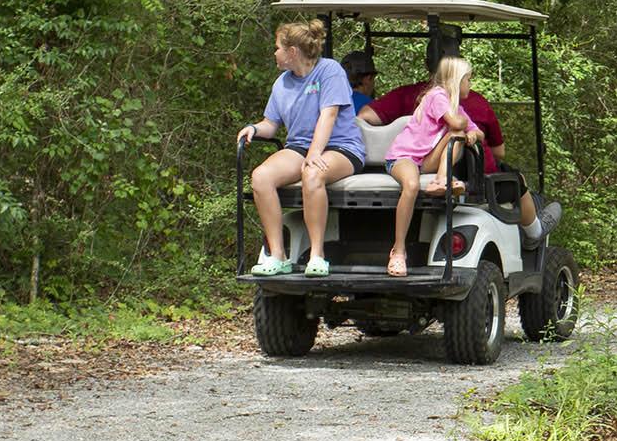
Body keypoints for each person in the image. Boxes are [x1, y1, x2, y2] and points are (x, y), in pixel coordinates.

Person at [362, 32, 564, 245]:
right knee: (517, 180)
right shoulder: (466, 100)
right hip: (476, 181)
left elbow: (365, 116)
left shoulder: (407, 95)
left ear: (426, 64)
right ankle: (534, 232)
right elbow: (499, 151)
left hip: (425, 163)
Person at [235, 18, 367, 276]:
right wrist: (253, 128)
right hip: (300, 148)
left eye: (277, 48)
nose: (274, 53)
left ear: (292, 52)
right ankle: (278, 256)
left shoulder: (329, 70)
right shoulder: (281, 83)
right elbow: (270, 124)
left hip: (341, 147)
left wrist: (315, 153)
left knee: (312, 172)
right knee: (261, 177)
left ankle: (317, 256)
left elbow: (329, 114)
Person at [383, 55, 476, 277]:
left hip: (425, 160)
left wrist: (473, 133)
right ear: (457, 80)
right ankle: (398, 251)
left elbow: (475, 130)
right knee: (412, 185)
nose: (470, 85)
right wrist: (465, 126)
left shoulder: (456, 106)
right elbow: (456, 122)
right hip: (403, 157)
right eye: (468, 79)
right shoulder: (437, 96)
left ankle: (441, 180)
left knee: (457, 135)